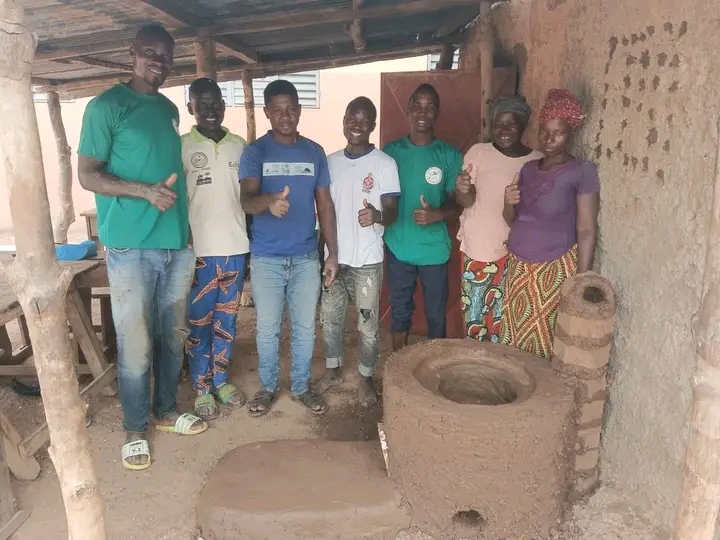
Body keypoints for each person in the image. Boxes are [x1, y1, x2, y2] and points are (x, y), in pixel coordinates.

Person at [77, 24, 206, 471]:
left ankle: (166, 411)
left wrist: (184, 232)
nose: (158, 62)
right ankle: (135, 428)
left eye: (165, 56)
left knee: (173, 335)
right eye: (150, 52)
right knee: (135, 342)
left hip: (175, 244)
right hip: (130, 246)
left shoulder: (169, 109)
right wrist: (143, 191)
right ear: (131, 53)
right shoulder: (106, 106)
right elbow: (88, 175)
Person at [240, 79, 339, 417]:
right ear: (267, 112)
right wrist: (269, 201)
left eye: (291, 109)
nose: (286, 116)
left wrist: (333, 253)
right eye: (278, 110)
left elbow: (325, 205)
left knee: (305, 328)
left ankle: (300, 386)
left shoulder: (314, 152)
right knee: (267, 329)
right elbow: (246, 200)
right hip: (266, 258)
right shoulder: (256, 152)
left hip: (305, 257)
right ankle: (268, 387)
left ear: (299, 110)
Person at [500, 89, 600, 358]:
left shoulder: (582, 171)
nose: (549, 138)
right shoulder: (528, 169)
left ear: (571, 134)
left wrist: (581, 280)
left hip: (553, 269)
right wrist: (508, 202)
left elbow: (586, 229)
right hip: (518, 267)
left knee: (544, 341)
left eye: (558, 132)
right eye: (544, 131)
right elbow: (511, 220)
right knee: (515, 340)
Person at [314, 97, 401, 405]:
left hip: (367, 261)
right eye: (352, 118)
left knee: (368, 326)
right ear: (344, 121)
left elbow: (392, 211)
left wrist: (377, 216)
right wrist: (322, 254)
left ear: (372, 126)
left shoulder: (385, 164)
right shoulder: (330, 162)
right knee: (330, 320)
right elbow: (323, 211)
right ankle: (332, 371)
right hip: (335, 260)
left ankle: (365, 377)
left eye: (364, 121)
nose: (357, 126)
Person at [182, 78, 249, 421]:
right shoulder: (181, 147)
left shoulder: (240, 146)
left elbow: (249, 197)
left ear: (224, 105)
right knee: (199, 324)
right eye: (202, 103)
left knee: (227, 321)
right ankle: (201, 389)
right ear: (190, 107)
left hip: (236, 249)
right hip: (199, 253)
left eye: (215, 102)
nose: (210, 109)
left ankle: (221, 381)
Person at [455, 96, 543, 343]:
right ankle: (474, 364)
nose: (503, 130)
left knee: (504, 322)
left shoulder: (536, 161)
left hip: (517, 255)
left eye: (510, 124)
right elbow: (465, 201)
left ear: (523, 125)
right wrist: (462, 188)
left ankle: (496, 365)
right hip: (479, 247)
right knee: (474, 320)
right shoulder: (479, 152)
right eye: (498, 124)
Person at [383, 84, 462, 351]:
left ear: (437, 113)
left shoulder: (449, 155)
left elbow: (458, 202)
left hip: (434, 250)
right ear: (408, 110)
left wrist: (438, 214)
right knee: (400, 309)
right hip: (399, 245)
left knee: (436, 313)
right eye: (417, 106)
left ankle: (434, 365)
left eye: (429, 107)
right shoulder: (391, 152)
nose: (422, 112)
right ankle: (397, 362)